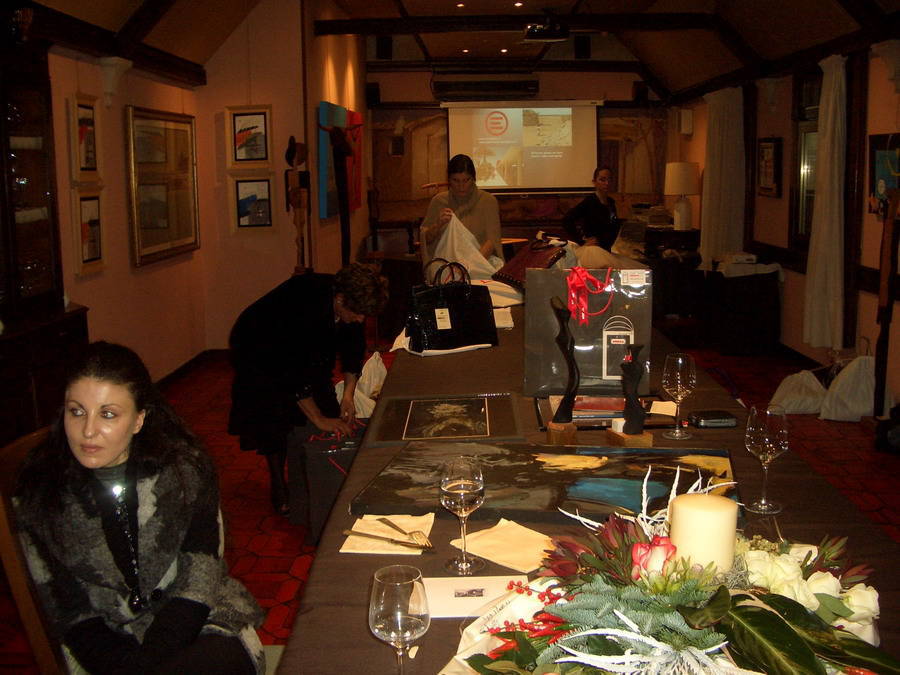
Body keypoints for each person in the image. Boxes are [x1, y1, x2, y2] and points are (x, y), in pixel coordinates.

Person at [14, 342, 264, 674]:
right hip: (107, 637)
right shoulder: (40, 493)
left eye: (108, 414)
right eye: (76, 411)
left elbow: (200, 574)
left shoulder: (184, 471)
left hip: (200, 617)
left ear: (138, 420)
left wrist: (148, 661)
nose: (88, 431)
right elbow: (67, 607)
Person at [228, 264, 389, 522]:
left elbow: (352, 349)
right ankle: (279, 485)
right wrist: (318, 419)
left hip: (296, 354)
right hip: (259, 347)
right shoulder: (304, 306)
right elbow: (291, 371)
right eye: (358, 314)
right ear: (339, 300)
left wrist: (348, 395)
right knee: (274, 416)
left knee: (327, 406)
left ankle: (313, 474)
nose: (361, 320)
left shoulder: (351, 301)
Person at [421, 154, 504, 262]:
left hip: (481, 264)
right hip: (446, 264)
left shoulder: (487, 201)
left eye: (466, 180)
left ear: (473, 179)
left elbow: (492, 242)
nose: (461, 186)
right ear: (448, 180)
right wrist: (437, 225)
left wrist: (468, 266)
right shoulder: (439, 201)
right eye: (456, 180)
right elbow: (426, 240)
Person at [562, 167, 621, 251]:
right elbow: (567, 220)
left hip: (607, 249)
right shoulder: (589, 202)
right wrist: (581, 240)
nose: (607, 183)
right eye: (602, 180)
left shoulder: (611, 202)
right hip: (593, 250)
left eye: (609, 179)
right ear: (594, 182)